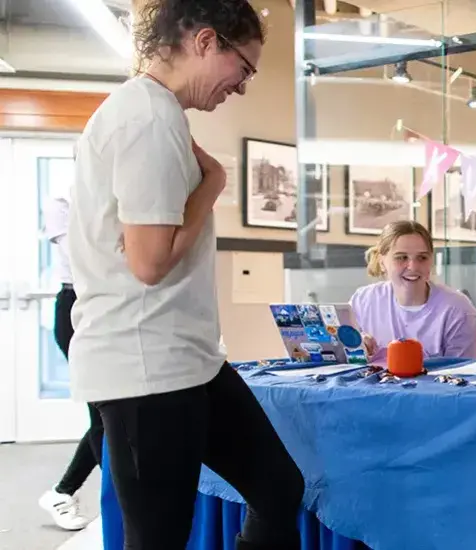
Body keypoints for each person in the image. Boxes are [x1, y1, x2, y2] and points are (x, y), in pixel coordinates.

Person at [66, 1, 302, 548]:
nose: (241, 87)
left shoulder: (158, 112)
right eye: (243, 68)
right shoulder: (146, 116)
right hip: (145, 368)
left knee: (278, 487)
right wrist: (214, 182)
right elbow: (149, 262)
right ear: (204, 42)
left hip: (189, 361)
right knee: (159, 538)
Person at [37, 195, 101, 531]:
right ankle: (66, 492)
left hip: (108, 306)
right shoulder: (63, 199)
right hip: (78, 306)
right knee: (106, 415)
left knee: (112, 414)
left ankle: (64, 492)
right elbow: (81, 260)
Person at [350, 220, 476, 362]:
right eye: (401, 257)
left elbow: (461, 375)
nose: (412, 267)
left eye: (422, 258)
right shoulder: (363, 301)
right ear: (382, 263)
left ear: (431, 261)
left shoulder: (458, 310)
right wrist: (357, 346)